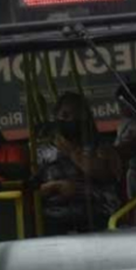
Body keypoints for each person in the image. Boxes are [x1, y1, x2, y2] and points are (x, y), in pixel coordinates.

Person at [33, 92, 121, 234]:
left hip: (95, 218)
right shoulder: (42, 152)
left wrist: (73, 152)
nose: (71, 120)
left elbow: (106, 175)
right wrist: (56, 186)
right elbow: (30, 190)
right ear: (57, 117)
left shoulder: (100, 147)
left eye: (77, 115)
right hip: (53, 219)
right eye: (65, 115)